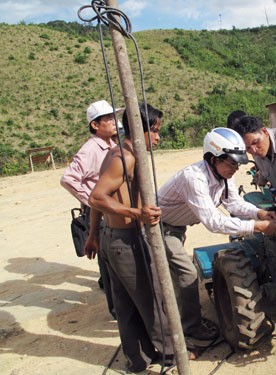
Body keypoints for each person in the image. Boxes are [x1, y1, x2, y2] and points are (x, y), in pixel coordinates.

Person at [157, 127, 276, 341]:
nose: (235, 168)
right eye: (231, 163)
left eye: (237, 163)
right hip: (161, 226)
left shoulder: (223, 176)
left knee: (175, 272)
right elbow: (213, 222)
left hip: (177, 226)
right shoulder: (194, 178)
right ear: (213, 159)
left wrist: (260, 212)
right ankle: (191, 327)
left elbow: (233, 203)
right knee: (187, 273)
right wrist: (258, 226)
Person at [85, 103, 178, 372]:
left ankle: (138, 359)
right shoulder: (124, 158)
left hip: (112, 238)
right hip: (126, 240)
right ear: (140, 130)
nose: (159, 137)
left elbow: (97, 201)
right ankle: (172, 353)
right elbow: (97, 197)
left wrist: (94, 235)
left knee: (126, 307)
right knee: (150, 299)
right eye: (156, 131)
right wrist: (137, 212)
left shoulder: (116, 153)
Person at [60, 99, 122, 319]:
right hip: (101, 214)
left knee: (114, 262)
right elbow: (68, 179)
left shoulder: (110, 146)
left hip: (108, 211)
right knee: (110, 265)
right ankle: (118, 312)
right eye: (108, 119)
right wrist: (93, 201)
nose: (114, 122)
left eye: (115, 118)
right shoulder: (91, 149)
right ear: (95, 125)